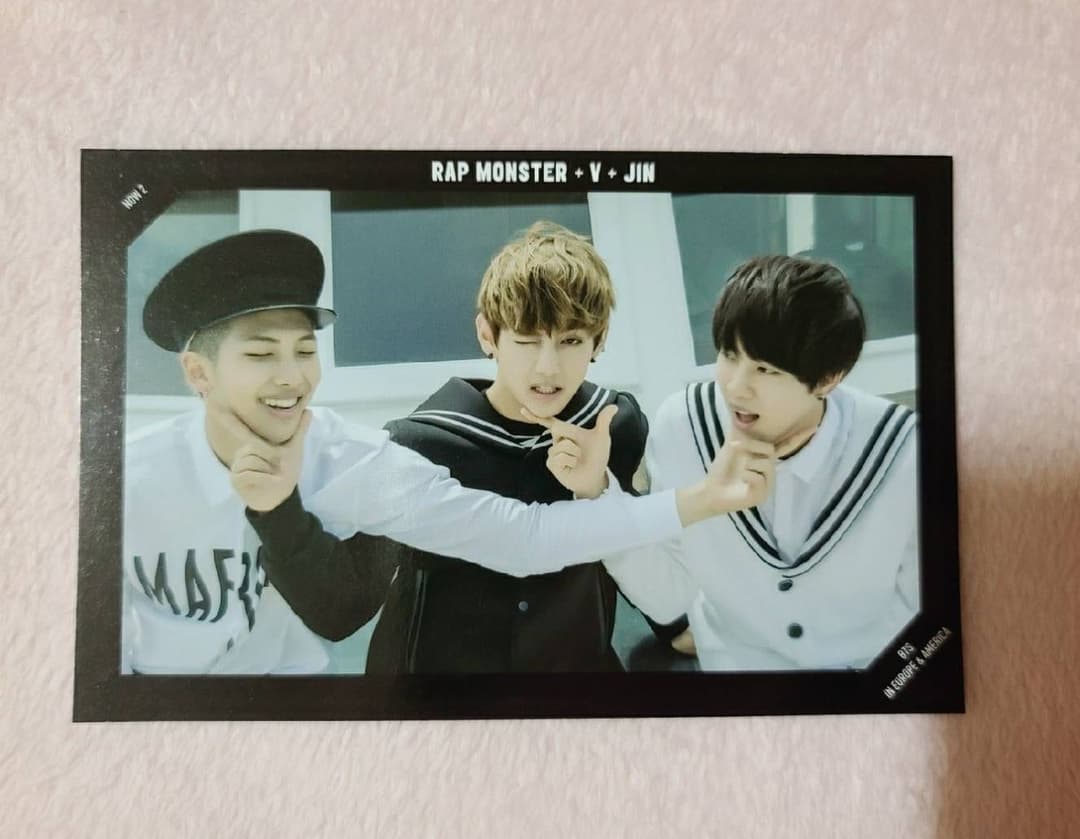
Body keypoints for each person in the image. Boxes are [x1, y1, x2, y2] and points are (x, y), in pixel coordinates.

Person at [123, 229, 759, 675]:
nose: (548, 366)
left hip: (574, 684)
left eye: (570, 340)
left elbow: (645, 572)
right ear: (488, 334)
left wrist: (669, 612)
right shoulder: (420, 441)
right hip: (435, 689)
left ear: (598, 341)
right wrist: (279, 509)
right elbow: (349, 600)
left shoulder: (617, 424)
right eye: (527, 339)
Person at [593, 255, 920, 671]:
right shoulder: (683, 426)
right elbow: (671, 590)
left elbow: (925, 613)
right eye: (729, 355)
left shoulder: (904, 450)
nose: (736, 387)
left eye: (765, 369)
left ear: (828, 378)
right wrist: (595, 492)